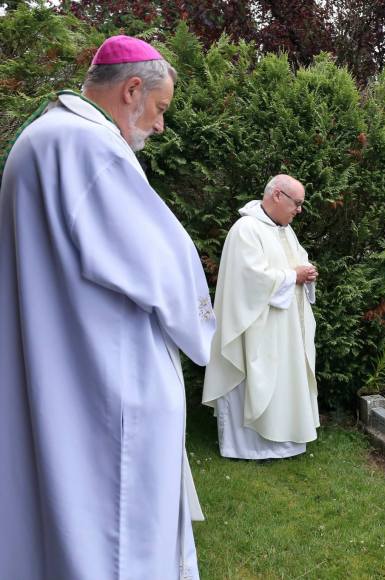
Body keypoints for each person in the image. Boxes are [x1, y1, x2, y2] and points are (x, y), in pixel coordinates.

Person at [0, 36, 215, 579]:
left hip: (59, 364)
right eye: (160, 109)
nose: (161, 126)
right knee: (115, 530)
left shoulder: (41, 138)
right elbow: (163, 263)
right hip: (105, 380)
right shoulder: (89, 148)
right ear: (132, 89)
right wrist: (209, 334)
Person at [202, 174, 319, 460]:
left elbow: (295, 263)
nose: (299, 210)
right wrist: (294, 276)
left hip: (285, 327)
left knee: (284, 380)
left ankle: (285, 441)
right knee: (257, 377)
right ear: (277, 195)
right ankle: (248, 446)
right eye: (297, 203)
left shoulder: (284, 231)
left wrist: (307, 272)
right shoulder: (246, 229)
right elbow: (249, 279)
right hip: (255, 327)